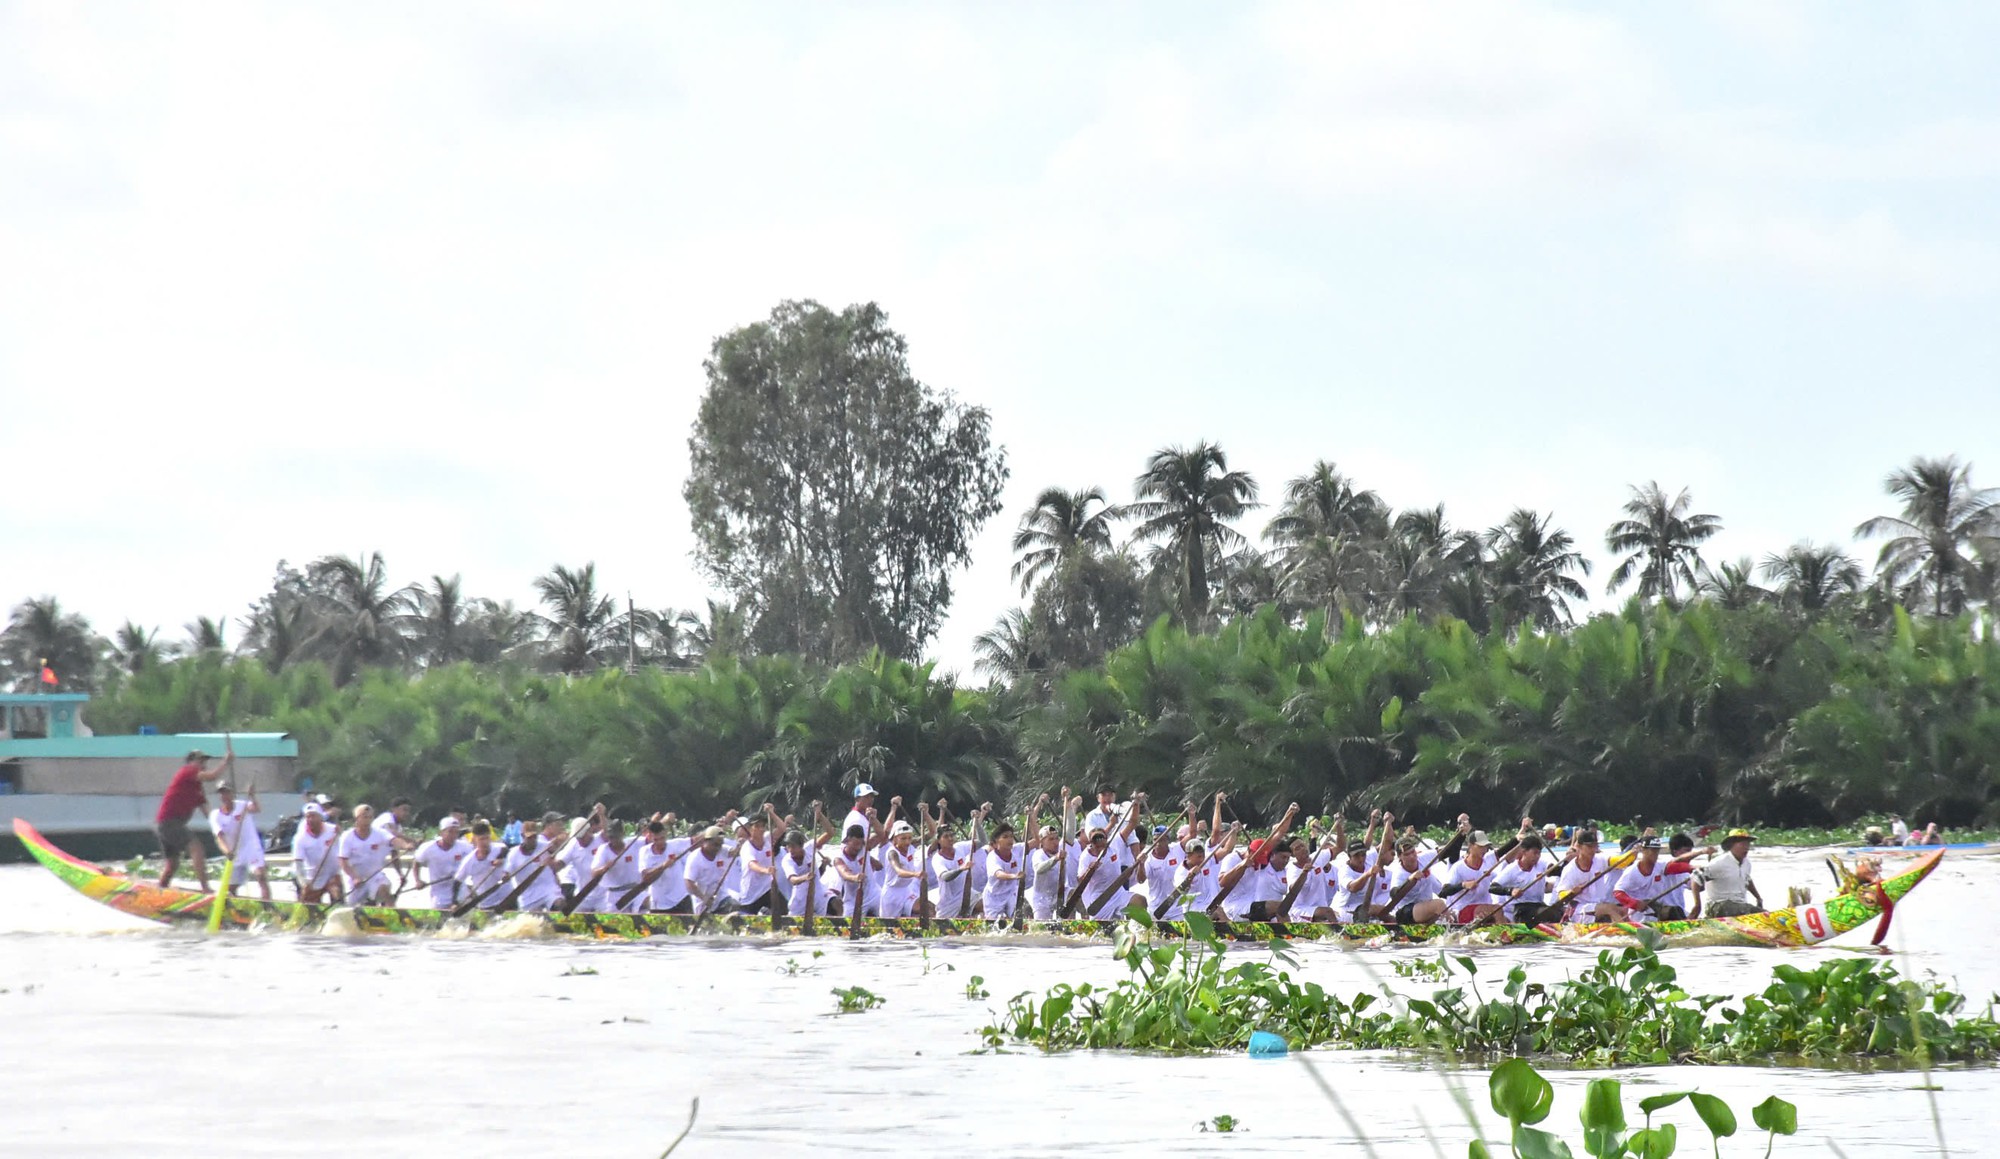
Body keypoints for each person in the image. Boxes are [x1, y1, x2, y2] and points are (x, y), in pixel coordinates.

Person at [155, 745, 232, 890]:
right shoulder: (188, 771)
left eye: (204, 761)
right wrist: (226, 762)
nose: (203, 764)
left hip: (170, 825)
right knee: (196, 848)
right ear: (191, 761)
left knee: (173, 864)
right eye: (200, 761)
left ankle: (161, 888)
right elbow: (212, 777)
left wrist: (226, 824)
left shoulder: (197, 789)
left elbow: (209, 814)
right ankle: (205, 888)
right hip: (169, 822)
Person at [1612, 835, 1705, 922]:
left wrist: (1693, 868)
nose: (1655, 854)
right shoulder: (1632, 872)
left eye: (1657, 850)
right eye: (1652, 850)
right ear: (1643, 850)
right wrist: (1635, 904)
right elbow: (1617, 892)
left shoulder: (1661, 866)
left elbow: (1675, 867)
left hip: (1659, 915)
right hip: (1641, 918)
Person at [338, 805, 411, 907]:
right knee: (352, 906)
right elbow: (343, 861)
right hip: (355, 878)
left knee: (384, 891)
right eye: (365, 817)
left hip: (375, 875)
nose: (368, 821)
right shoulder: (347, 836)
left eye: (370, 817)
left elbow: (393, 840)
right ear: (357, 819)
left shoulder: (379, 833)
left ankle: (391, 912)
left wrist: (405, 845)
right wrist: (355, 877)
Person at [210, 781, 270, 901]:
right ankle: (234, 907)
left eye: (227, 792)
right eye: (222, 793)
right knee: (231, 888)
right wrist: (227, 851)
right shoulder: (215, 815)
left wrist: (252, 795)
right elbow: (220, 838)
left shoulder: (242, 806)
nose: (224, 796)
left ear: (232, 794)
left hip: (251, 846)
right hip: (235, 852)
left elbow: (257, 808)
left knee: (260, 876)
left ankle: (267, 904)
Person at [504, 814, 570, 913]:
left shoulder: (545, 847)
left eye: (534, 837)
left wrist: (562, 838)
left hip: (548, 889)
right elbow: (507, 873)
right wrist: (505, 877)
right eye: (529, 837)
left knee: (560, 903)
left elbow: (558, 844)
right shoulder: (513, 854)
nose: (533, 840)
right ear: (522, 836)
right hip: (527, 894)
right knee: (535, 917)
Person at [1556, 829, 1623, 922]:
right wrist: (1571, 892)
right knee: (1608, 909)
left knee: (1621, 909)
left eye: (1595, 846)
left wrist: (1632, 853)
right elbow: (1561, 894)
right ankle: (1625, 928)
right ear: (1579, 846)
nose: (1593, 850)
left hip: (1597, 905)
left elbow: (1620, 861)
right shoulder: (1570, 870)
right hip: (1578, 909)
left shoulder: (1600, 859)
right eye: (1589, 846)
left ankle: (1630, 927)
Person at [1698, 829, 1765, 917]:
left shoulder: (1746, 863)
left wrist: (1758, 898)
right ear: (1731, 845)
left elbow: (1747, 880)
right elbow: (1695, 878)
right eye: (1742, 844)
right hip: (1718, 905)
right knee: (1754, 911)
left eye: (1747, 844)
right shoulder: (1719, 862)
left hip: (1740, 905)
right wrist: (1697, 906)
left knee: (1755, 912)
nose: (1746, 847)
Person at [730, 807, 783, 914]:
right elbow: (752, 865)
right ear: (750, 829)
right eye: (757, 826)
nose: (761, 829)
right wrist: (765, 870)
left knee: (781, 910)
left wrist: (771, 812)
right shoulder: (747, 847)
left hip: (767, 888)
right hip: (751, 894)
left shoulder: (767, 838)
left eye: (763, 826)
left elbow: (782, 828)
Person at [413, 816, 470, 910]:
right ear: (441, 832)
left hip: (460, 891)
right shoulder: (428, 847)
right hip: (439, 894)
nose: (454, 835)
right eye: (450, 832)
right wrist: (418, 880)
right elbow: (416, 861)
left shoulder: (464, 847)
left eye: (456, 832)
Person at [290, 801, 342, 904]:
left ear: (320, 817)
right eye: (307, 817)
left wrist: (340, 833)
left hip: (332, 875)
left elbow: (343, 848)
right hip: (311, 878)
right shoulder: (300, 837)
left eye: (313, 816)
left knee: (337, 895)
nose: (310, 820)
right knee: (310, 906)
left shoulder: (333, 830)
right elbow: (298, 863)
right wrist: (304, 883)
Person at [451, 821, 510, 911]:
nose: (485, 842)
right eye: (481, 839)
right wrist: (454, 902)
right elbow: (457, 881)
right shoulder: (469, 861)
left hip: (506, 900)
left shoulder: (499, 848)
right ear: (474, 839)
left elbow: (505, 849)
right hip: (486, 904)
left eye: (487, 838)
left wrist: (501, 858)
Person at [683, 825, 737, 917]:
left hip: (721, 897)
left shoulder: (722, 850)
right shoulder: (695, 858)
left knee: (734, 906)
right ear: (705, 841)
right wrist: (704, 898)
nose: (718, 848)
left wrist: (740, 846)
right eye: (715, 845)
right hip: (703, 902)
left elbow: (734, 852)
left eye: (720, 845)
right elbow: (689, 882)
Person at [879, 820, 926, 918]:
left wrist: (925, 814)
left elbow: (932, 833)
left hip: (906, 890)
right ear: (895, 839)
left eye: (909, 838)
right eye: (903, 839)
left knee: (926, 907)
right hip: (892, 894)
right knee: (890, 924)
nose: (907, 842)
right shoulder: (892, 853)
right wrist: (915, 874)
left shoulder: (910, 846)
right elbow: (899, 871)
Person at [981, 822, 1027, 921]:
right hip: (994, 898)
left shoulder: (1016, 850)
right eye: (1005, 837)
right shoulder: (992, 857)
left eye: (1011, 836)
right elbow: (998, 874)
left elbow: (1036, 841)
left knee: (1019, 916)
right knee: (996, 924)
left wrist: (1032, 818)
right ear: (996, 842)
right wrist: (1014, 876)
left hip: (1011, 893)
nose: (1010, 839)